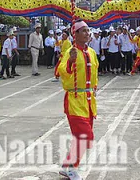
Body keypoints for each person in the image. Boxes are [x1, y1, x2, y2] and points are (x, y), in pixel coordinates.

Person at [58, 20, 98, 180]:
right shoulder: (71, 52)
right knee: (85, 135)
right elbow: (62, 71)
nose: (87, 34)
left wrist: (95, 88)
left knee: (80, 136)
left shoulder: (92, 52)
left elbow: (94, 73)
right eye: (84, 31)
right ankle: (72, 168)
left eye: (88, 31)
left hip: (88, 100)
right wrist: (70, 62)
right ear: (75, 35)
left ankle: (67, 165)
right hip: (75, 99)